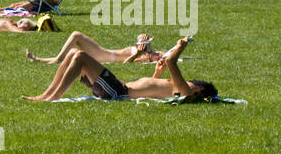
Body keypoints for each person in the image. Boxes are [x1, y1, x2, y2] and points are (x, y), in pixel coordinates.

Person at [23, 36, 217, 103]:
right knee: (74, 52)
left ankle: (53, 96)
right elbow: (152, 89)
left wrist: (180, 46)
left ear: (199, 89)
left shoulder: (184, 91)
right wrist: (156, 75)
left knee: (81, 56)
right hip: (116, 87)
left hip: (118, 91)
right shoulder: (176, 88)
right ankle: (47, 94)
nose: (188, 81)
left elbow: (172, 63)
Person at [25, 30, 163, 67]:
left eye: (159, 55)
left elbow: (126, 63)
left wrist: (137, 54)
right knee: (71, 53)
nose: (157, 52)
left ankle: (55, 61)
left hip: (103, 55)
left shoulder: (144, 57)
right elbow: (140, 38)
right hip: (103, 52)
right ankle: (38, 59)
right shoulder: (146, 50)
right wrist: (144, 37)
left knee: (76, 35)